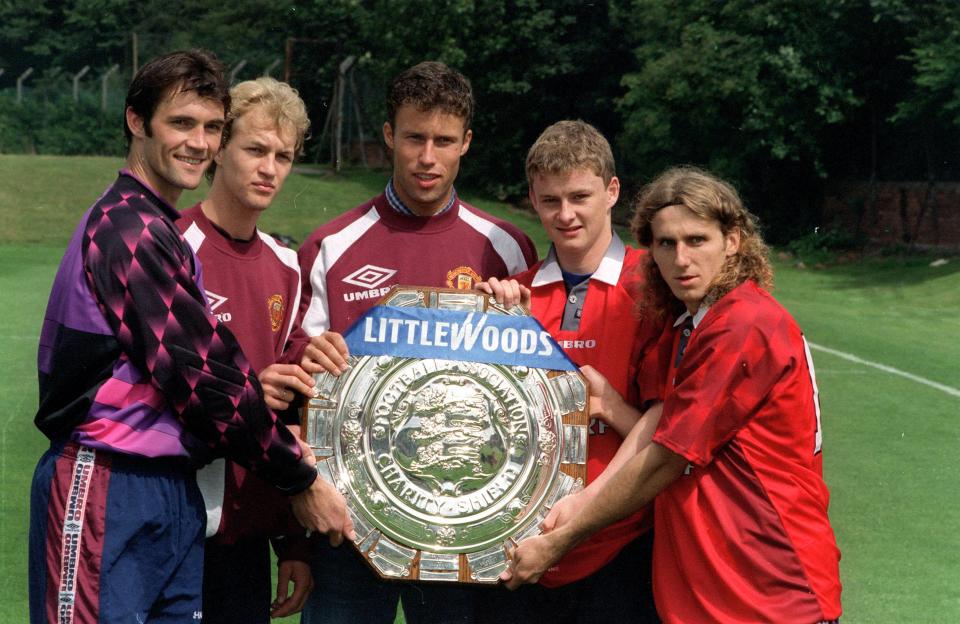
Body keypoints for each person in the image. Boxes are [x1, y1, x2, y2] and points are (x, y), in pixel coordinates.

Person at [29, 50, 351, 624]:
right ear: (136, 121)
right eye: (181, 123)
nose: (197, 143)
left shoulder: (157, 228)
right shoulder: (128, 229)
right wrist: (300, 477)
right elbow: (205, 376)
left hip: (174, 490)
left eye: (209, 127)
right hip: (108, 476)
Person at [502, 166, 843, 623]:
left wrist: (561, 540)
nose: (681, 259)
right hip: (712, 588)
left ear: (734, 240)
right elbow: (663, 425)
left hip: (768, 588)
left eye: (697, 240)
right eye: (666, 243)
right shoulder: (688, 325)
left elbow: (666, 457)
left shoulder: (742, 323)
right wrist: (609, 415)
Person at [296, 61, 538, 624]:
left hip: (463, 525)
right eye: (414, 137)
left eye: (444, 141)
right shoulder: (331, 246)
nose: (428, 157)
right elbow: (296, 388)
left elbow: (534, 398)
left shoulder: (507, 249)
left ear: (466, 144)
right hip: (350, 527)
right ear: (389, 135)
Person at [479, 120, 660, 623]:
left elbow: (672, 430)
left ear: (612, 191)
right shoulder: (510, 297)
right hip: (519, 550)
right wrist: (487, 326)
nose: (565, 214)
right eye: (550, 200)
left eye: (580, 196)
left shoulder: (657, 288)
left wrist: (611, 407)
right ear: (532, 200)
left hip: (622, 546)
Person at [175, 76, 319, 622]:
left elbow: (292, 413)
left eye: (283, 156)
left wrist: (294, 544)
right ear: (219, 149)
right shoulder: (173, 245)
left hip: (249, 533)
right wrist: (246, 392)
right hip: (177, 521)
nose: (269, 168)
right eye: (255, 149)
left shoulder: (287, 266)